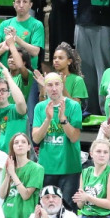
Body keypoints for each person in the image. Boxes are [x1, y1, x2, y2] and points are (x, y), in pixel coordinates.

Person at [33, 73, 83, 207]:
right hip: (47, 168)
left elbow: (74, 137)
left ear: (62, 86)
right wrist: (48, 119)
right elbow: (36, 138)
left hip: (70, 168)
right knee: (47, 209)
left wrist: (63, 119)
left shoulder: (73, 106)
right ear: (45, 87)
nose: (54, 88)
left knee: (68, 209)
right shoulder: (40, 107)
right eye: (49, 85)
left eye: (57, 84)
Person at [0, 132, 45, 218]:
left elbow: (25, 195)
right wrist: (8, 175)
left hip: (26, 217)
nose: (19, 144)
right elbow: (2, 195)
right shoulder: (8, 166)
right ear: (12, 147)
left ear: (29, 147)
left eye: (23, 142)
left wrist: (13, 174)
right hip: (8, 214)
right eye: (16, 142)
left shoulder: (37, 169)